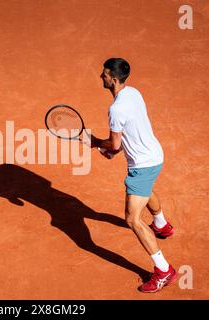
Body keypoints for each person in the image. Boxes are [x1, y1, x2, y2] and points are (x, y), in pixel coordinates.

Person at [88, 58, 176, 293]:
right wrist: (110, 150)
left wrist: (95, 142)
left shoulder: (115, 109)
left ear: (114, 80)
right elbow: (128, 134)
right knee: (144, 191)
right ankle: (162, 225)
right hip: (155, 155)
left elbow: (115, 144)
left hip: (142, 165)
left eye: (104, 74)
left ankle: (163, 270)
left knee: (132, 220)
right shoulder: (133, 93)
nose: (101, 77)